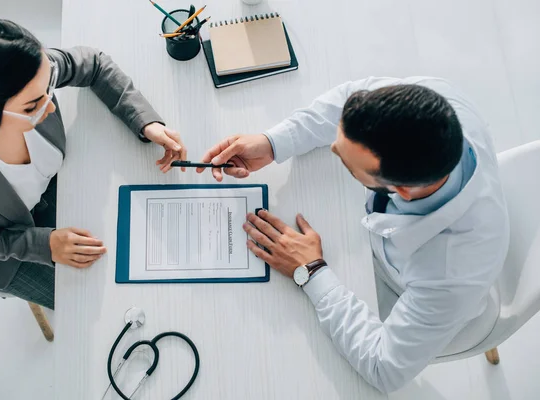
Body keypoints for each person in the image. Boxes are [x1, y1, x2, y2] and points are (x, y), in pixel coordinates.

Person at [198, 77, 509, 392]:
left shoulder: (447, 274)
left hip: (410, 295)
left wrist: (312, 271)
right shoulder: (439, 100)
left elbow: (382, 368)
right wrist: (274, 142)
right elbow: (349, 99)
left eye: (347, 162)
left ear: (400, 191)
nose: (333, 146)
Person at [0, 18, 187, 310]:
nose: (52, 106)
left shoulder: (31, 74)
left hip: (51, 189)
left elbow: (93, 64)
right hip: (2, 247)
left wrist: (146, 123)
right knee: (88, 306)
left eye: (49, 89)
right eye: (32, 106)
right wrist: (43, 245)